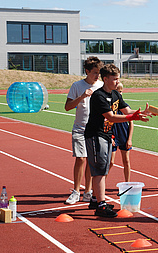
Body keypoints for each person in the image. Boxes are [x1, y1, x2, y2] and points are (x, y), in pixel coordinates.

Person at [84, 64, 152, 218]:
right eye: (114, 79)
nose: (117, 82)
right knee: (100, 168)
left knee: (105, 167)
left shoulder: (116, 94)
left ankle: (96, 199)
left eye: (118, 79)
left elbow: (127, 111)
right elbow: (111, 117)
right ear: (105, 79)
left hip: (107, 135)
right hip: (96, 135)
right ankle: (101, 206)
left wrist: (140, 113)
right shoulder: (98, 96)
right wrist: (131, 117)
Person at [64, 56, 104, 205]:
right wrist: (82, 96)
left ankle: (88, 192)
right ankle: (76, 191)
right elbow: (67, 107)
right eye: (94, 72)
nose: (97, 76)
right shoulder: (77, 85)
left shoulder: (101, 85)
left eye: (98, 73)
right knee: (81, 158)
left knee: (91, 162)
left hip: (95, 129)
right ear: (87, 71)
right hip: (80, 128)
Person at [109, 82, 134, 182]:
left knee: (126, 160)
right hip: (113, 134)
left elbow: (131, 123)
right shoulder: (110, 106)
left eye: (121, 92)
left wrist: (129, 139)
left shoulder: (125, 106)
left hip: (124, 134)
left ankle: (127, 182)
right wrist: (110, 136)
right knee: (111, 162)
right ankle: (100, 183)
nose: (120, 94)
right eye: (117, 92)